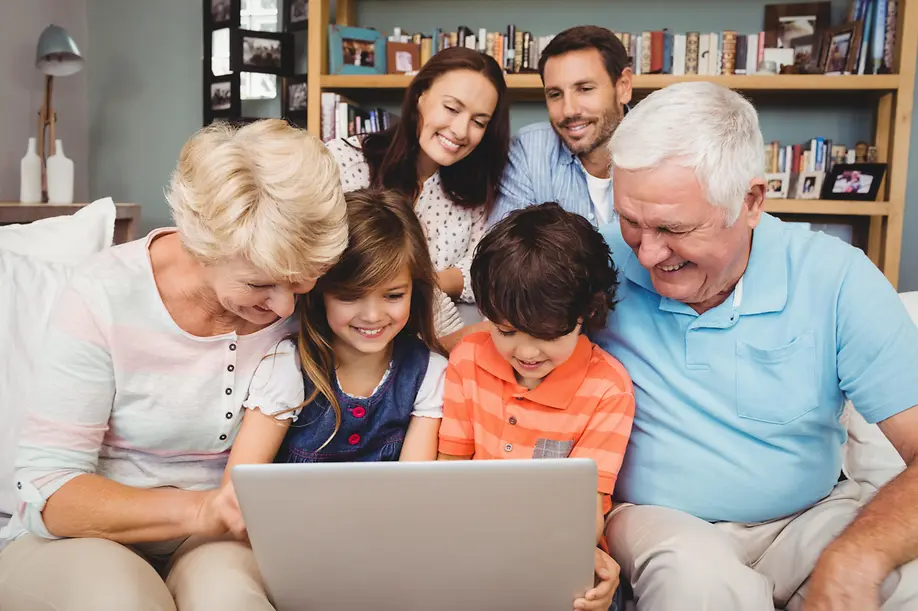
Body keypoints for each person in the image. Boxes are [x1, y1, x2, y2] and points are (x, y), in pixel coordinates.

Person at [593, 81, 918, 610]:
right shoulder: (592, 263)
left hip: (807, 516)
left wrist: (860, 555)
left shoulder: (835, 276)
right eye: (630, 221)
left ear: (750, 201)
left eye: (674, 228)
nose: (647, 253)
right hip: (658, 520)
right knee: (696, 584)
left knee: (900, 584)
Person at [0, 119, 349, 611]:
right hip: (80, 536)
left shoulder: (300, 291)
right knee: (123, 603)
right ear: (202, 246)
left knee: (231, 602)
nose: (287, 307)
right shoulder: (105, 293)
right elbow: (51, 492)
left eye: (302, 281)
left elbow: (414, 303)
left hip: (212, 541)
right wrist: (202, 508)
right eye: (259, 284)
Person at [215, 188, 448, 537]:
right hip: (290, 539)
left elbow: (412, 497)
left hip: (385, 543)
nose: (373, 315)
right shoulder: (288, 368)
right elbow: (236, 498)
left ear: (415, 291)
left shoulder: (428, 373)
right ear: (319, 292)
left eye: (393, 295)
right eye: (350, 296)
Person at [437, 202, 634, 611]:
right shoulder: (469, 359)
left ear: (586, 314)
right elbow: (448, 474)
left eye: (546, 336)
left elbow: (586, 509)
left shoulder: (607, 389)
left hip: (558, 554)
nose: (526, 352)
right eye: (506, 331)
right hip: (473, 548)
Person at [325, 46, 511, 340]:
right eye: (451, 108)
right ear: (419, 96)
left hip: (433, 342)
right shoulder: (346, 162)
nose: (461, 130)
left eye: (478, 122)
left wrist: (423, 284)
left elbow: (483, 272)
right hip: (345, 338)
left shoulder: (476, 193)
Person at [491, 25, 633, 226]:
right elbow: (505, 243)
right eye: (555, 94)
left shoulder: (666, 148)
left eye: (585, 89)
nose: (569, 111)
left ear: (623, 87)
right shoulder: (527, 150)